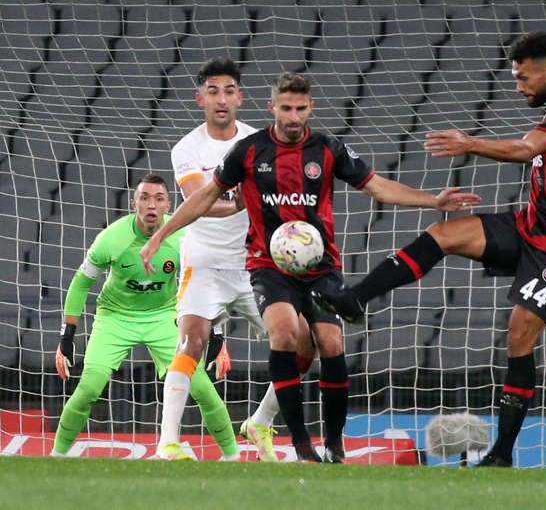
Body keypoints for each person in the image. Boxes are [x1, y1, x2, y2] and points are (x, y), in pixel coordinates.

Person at [140, 71, 480, 463]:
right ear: (272, 108)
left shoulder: (328, 148)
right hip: (269, 265)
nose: (294, 116)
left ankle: (333, 443)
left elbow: (377, 186)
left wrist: (433, 201)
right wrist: (159, 235)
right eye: (286, 108)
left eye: (301, 108)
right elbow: (203, 199)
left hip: (321, 266)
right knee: (284, 335)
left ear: (310, 108)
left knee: (331, 344)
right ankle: (301, 445)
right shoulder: (249, 151)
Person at [312, 31, 546, 467]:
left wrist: (469, 143)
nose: (518, 86)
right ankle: (356, 298)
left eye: (524, 78)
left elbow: (527, 150)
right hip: (529, 226)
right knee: (445, 233)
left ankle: (502, 454)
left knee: (519, 336)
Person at [162, 57, 296, 463]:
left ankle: (260, 422)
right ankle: (168, 443)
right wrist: (240, 199)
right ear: (199, 97)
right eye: (213, 91)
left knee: (300, 341)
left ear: (241, 97)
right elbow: (199, 201)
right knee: (192, 340)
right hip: (203, 262)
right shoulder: (187, 148)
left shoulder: (262, 142)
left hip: (256, 263)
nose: (221, 100)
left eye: (229, 91)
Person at [51, 174, 240, 461]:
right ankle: (56, 456)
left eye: (159, 199)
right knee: (88, 389)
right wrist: (66, 337)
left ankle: (233, 458)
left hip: (164, 317)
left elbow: (205, 282)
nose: (152, 204)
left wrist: (217, 336)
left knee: (201, 386)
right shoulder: (111, 239)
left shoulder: (184, 236)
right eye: (144, 198)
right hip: (115, 317)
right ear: (133, 204)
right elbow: (80, 283)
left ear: (169, 205)